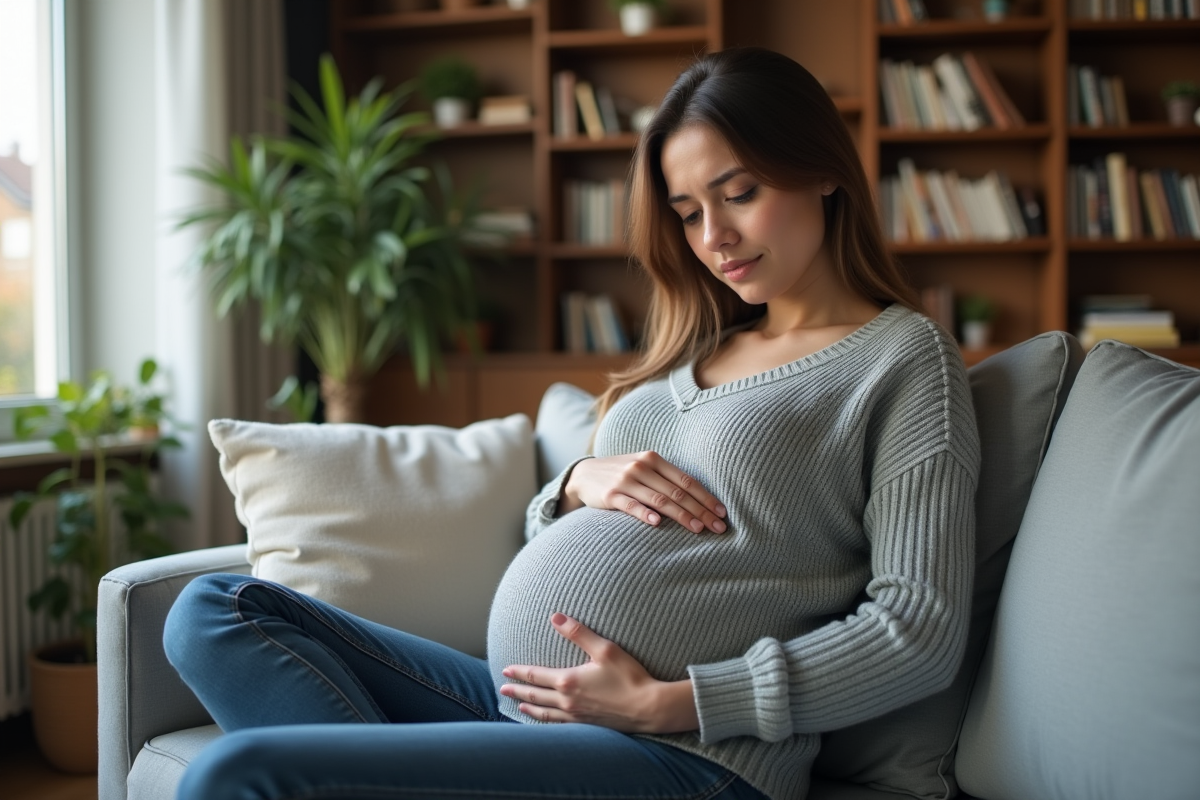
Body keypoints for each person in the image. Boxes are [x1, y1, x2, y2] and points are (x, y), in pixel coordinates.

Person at [164, 47, 979, 800]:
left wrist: (675, 703)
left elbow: (917, 629)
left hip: (687, 756)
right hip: (531, 705)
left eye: (740, 194)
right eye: (688, 211)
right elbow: (554, 535)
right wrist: (575, 485)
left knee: (241, 773)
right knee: (213, 613)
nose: (714, 237)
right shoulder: (695, 346)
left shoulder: (901, 358)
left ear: (823, 171)